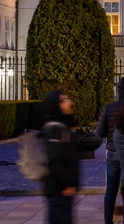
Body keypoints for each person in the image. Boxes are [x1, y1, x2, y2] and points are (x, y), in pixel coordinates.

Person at [97, 76, 124, 224]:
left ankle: (108, 221)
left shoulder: (109, 108)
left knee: (111, 190)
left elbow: (100, 132)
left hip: (113, 151)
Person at [42, 91, 79, 224]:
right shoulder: (55, 129)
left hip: (62, 189)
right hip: (59, 189)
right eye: (65, 100)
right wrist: (68, 184)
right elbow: (55, 160)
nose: (70, 103)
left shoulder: (62, 126)